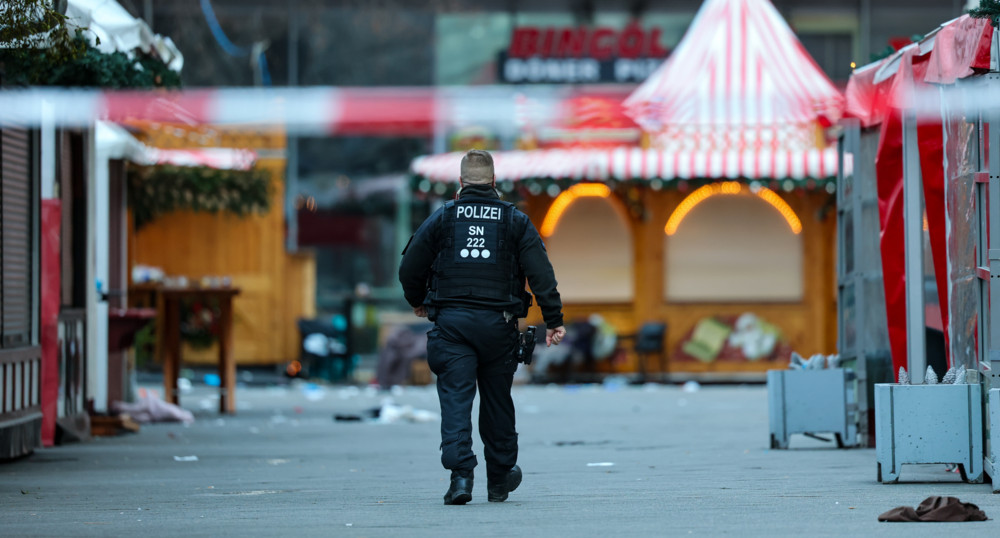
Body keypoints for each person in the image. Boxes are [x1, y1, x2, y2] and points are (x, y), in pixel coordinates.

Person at [399, 149, 566, 505]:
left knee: (456, 399)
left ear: (460, 182)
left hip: (452, 326)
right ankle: (500, 479)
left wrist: (418, 299)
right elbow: (541, 273)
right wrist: (554, 319)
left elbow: (409, 266)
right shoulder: (515, 220)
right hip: (498, 326)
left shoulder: (443, 217)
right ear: (493, 181)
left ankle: (461, 478)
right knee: (497, 401)